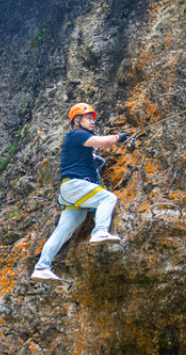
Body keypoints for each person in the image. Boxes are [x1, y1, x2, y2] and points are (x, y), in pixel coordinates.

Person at [31, 102, 130, 281]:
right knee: (107, 198)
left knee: (64, 229)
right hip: (76, 186)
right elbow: (105, 142)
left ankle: (42, 266)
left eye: (93, 120)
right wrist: (119, 137)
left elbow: (86, 157)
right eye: (88, 119)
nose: (92, 122)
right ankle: (99, 231)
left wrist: (95, 162)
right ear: (77, 120)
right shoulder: (76, 134)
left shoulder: (77, 143)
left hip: (70, 194)